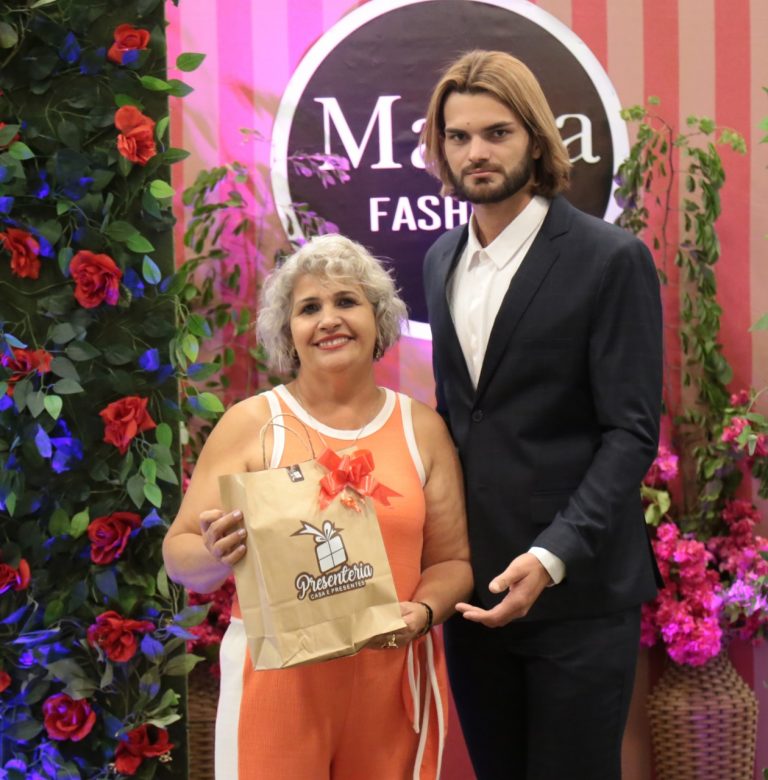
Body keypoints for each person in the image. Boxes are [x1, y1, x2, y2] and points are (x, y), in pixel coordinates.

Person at [420, 50, 663, 780]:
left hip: (578, 593)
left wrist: (553, 554)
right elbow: (459, 419)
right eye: (458, 136)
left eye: (496, 133)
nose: (476, 152)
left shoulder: (609, 258)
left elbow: (630, 432)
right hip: (476, 595)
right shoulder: (439, 259)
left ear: (534, 139)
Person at [162, 233, 472, 780]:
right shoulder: (250, 424)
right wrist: (214, 551)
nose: (329, 319)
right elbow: (179, 557)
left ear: (378, 319)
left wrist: (425, 612)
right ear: (289, 333)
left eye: (346, 301)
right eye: (309, 308)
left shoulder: (422, 428)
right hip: (276, 687)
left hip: (391, 684)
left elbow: (452, 563)